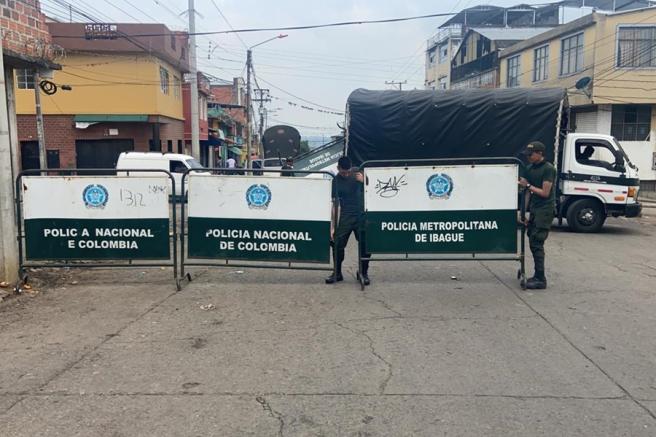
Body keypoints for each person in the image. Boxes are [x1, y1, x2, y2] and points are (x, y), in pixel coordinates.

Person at [326, 156, 370, 285]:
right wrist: (333, 226)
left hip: (361, 214)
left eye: (348, 172)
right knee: (336, 243)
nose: (346, 174)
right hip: (345, 216)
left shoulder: (358, 171)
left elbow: (374, 189)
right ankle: (337, 273)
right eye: (343, 172)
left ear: (351, 168)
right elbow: (335, 205)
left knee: (366, 244)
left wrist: (364, 181)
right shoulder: (335, 181)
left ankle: (363, 272)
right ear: (338, 168)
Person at [519, 141, 557, 290]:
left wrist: (528, 185)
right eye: (527, 155)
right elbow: (527, 193)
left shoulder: (548, 169)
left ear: (540, 153)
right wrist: (523, 213)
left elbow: (545, 193)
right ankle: (537, 276)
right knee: (532, 240)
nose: (528, 157)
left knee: (537, 242)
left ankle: (540, 278)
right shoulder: (529, 168)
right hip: (535, 209)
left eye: (531, 154)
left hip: (545, 210)